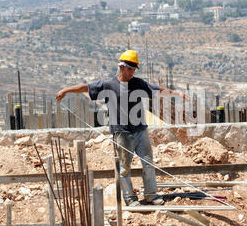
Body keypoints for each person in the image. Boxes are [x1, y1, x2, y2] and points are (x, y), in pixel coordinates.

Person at [56, 50, 186, 206]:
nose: (132, 72)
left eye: (134, 69)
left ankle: (151, 195)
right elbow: (85, 87)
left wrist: (178, 94)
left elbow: (158, 90)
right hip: (121, 133)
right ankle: (130, 198)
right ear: (122, 67)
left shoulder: (139, 84)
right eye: (130, 68)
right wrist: (65, 91)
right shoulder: (108, 85)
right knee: (124, 168)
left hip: (140, 130)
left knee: (148, 163)